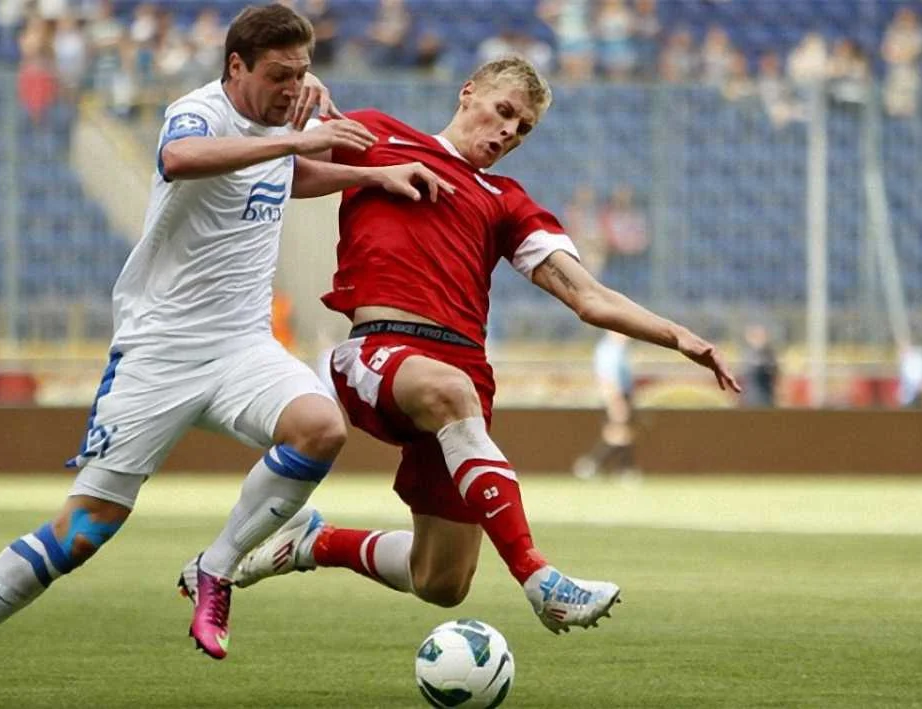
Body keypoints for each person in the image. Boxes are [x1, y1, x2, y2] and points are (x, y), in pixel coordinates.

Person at [0, 5, 453, 707]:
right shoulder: (198, 112)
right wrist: (294, 139)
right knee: (82, 532)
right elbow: (179, 160)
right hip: (159, 353)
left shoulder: (280, 126)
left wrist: (373, 176)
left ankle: (215, 568)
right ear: (236, 67)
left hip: (243, 346)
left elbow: (286, 176)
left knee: (320, 428)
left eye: (301, 73)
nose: (292, 88)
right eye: (278, 75)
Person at [231, 57, 741, 636]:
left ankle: (312, 543)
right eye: (503, 112)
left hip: (462, 377)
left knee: (440, 579)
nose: (507, 133)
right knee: (449, 390)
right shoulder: (378, 134)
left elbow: (588, 297)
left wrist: (678, 336)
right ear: (468, 92)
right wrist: (295, 99)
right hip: (381, 351)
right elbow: (278, 168)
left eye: (522, 129)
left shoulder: (506, 199)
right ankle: (540, 579)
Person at [573, 331, 638, 481]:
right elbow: (608, 378)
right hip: (615, 395)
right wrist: (616, 400)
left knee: (621, 433)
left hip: (622, 395)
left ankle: (600, 466)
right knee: (618, 432)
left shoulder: (620, 349)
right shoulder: (609, 350)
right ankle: (595, 465)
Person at [740, 323, 779, 408]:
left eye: (761, 336)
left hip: (765, 399)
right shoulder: (748, 353)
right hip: (751, 399)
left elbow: (774, 371)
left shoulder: (769, 353)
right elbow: (746, 373)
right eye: (756, 336)